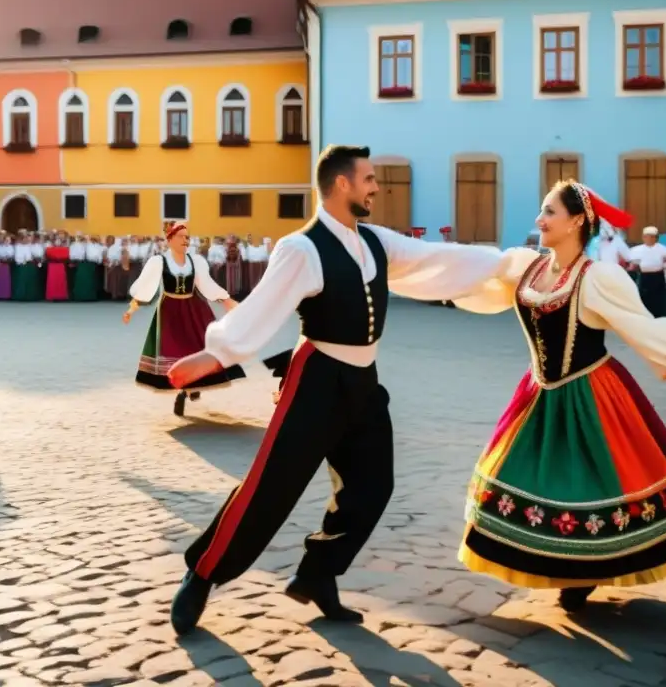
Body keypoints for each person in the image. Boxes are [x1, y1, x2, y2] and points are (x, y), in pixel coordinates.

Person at [164, 145, 514, 635]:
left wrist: (507, 265)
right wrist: (216, 353)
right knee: (272, 488)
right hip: (317, 380)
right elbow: (267, 304)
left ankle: (318, 574)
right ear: (343, 184)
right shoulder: (303, 248)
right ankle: (202, 574)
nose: (376, 186)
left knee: (373, 485)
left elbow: (435, 257)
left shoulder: (374, 241)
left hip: (364, 384)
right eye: (369, 178)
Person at [453, 181, 666, 611]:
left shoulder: (598, 278)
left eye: (549, 211)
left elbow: (643, 327)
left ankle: (583, 574)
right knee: (527, 478)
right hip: (537, 393)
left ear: (576, 221)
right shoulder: (527, 267)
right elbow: (467, 273)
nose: (539, 219)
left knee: (590, 485)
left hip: (591, 393)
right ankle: (557, 566)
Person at [124, 222, 243, 417]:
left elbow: (207, 285)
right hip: (169, 312)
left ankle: (190, 387)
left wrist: (227, 301)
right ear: (169, 240)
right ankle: (183, 391)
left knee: (198, 349)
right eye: (180, 237)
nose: (185, 240)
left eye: (187, 237)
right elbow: (146, 287)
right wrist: (132, 308)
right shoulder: (159, 262)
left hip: (194, 308)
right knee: (177, 351)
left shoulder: (195, 261)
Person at [628, 226, 666, 318]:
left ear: (655, 238)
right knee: (645, 301)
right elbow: (631, 262)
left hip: (658, 277)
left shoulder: (663, 249)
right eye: (646, 236)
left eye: (652, 237)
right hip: (644, 277)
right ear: (643, 237)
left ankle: (658, 320)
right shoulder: (636, 250)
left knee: (658, 302)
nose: (649, 239)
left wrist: (664, 266)